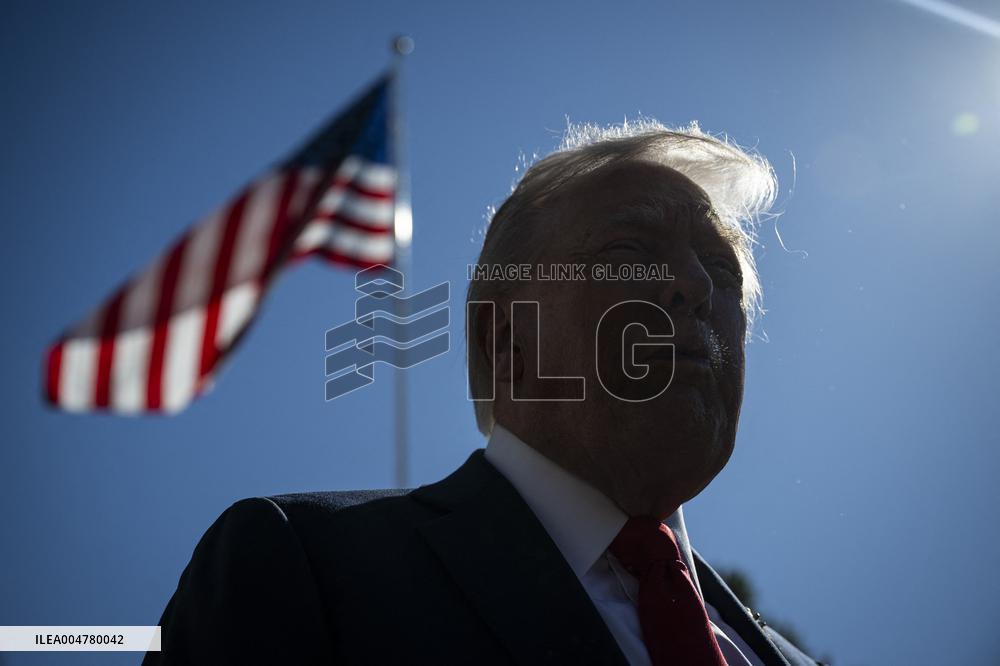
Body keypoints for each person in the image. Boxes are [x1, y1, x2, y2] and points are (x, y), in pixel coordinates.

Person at [145, 120, 823, 665]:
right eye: (627, 253)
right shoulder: (303, 567)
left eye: (719, 269)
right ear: (506, 338)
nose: (696, 288)